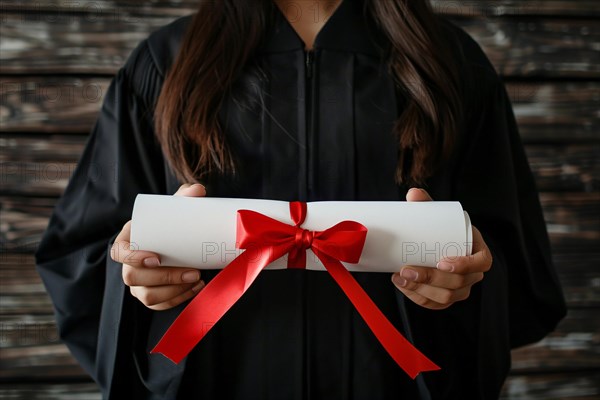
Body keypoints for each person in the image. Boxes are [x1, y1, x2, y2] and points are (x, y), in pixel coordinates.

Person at [35, 0, 566, 398]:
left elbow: (510, 261)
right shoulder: (165, 64)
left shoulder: (449, 64)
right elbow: (85, 253)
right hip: (218, 383)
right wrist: (134, 277)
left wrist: (466, 275)